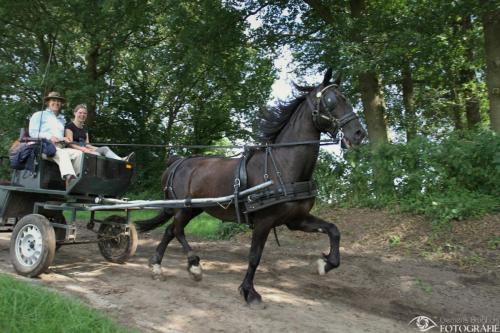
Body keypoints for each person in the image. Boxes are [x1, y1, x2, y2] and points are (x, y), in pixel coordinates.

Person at [28, 91, 83, 187]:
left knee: (79, 154)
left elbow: (59, 137)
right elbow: (32, 133)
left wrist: (64, 138)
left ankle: (79, 180)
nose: (56, 103)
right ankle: (70, 179)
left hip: (59, 147)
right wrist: (48, 137)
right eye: (53, 100)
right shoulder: (39, 115)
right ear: (48, 102)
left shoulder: (62, 119)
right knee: (63, 153)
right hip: (43, 147)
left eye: (58, 101)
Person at [65, 104, 134, 161]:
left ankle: (121, 160)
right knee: (97, 155)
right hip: (76, 151)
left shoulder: (85, 128)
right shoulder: (70, 126)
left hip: (85, 149)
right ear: (75, 113)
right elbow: (70, 144)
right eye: (80, 112)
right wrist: (84, 149)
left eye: (84, 113)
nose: (82, 115)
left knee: (105, 148)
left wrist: (98, 148)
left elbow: (87, 144)